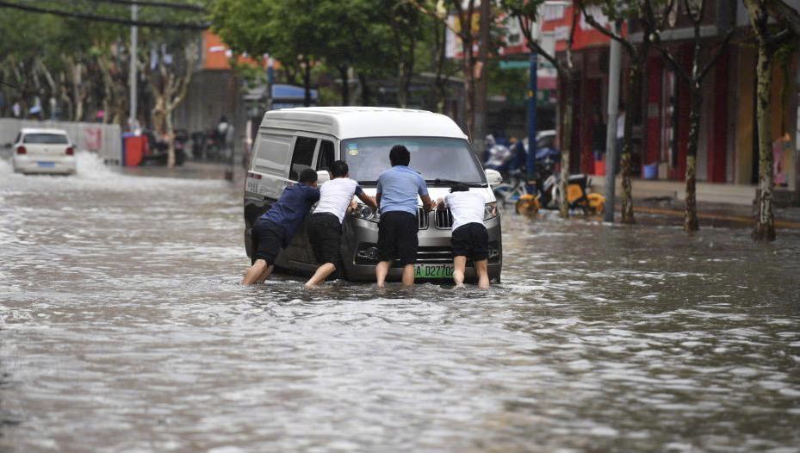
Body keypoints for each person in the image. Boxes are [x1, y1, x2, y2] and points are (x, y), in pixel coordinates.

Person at [305, 160, 377, 288]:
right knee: (332, 263)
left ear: (331, 175)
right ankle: (309, 286)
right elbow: (368, 201)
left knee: (323, 262)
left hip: (313, 220)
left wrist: (351, 207)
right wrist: (374, 205)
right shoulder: (352, 184)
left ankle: (318, 293)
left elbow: (335, 204)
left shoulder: (326, 185)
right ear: (348, 173)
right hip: (330, 222)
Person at [242, 168, 320, 285]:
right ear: (313, 183)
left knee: (269, 264)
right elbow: (328, 192)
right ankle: (243, 289)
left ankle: (256, 290)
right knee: (262, 262)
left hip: (261, 223)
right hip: (274, 227)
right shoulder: (308, 191)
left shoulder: (289, 189)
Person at [375, 145, 433, 288]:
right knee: (408, 261)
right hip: (408, 217)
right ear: (408, 160)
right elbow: (427, 202)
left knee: (384, 257)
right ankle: (407, 293)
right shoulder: (417, 177)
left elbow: (378, 199)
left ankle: (380, 285)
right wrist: (429, 207)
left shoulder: (384, 175)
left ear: (391, 160)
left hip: (387, 216)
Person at [436, 183, 492, 289]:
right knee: (483, 273)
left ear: (453, 191)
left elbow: (441, 206)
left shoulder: (450, 196)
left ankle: (459, 285)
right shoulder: (480, 196)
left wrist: (439, 201)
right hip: (479, 228)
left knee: (459, 269)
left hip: (461, 229)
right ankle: (485, 296)